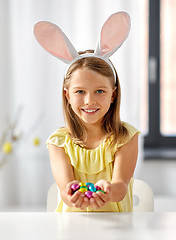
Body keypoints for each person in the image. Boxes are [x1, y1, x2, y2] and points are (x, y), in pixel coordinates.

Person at [34, 12, 139, 212]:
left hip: (117, 230)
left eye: (100, 91)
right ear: (67, 95)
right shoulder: (58, 142)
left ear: (113, 95)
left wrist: (107, 191)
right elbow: (65, 189)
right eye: (80, 91)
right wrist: (72, 194)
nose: (89, 100)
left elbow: (120, 187)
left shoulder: (126, 137)